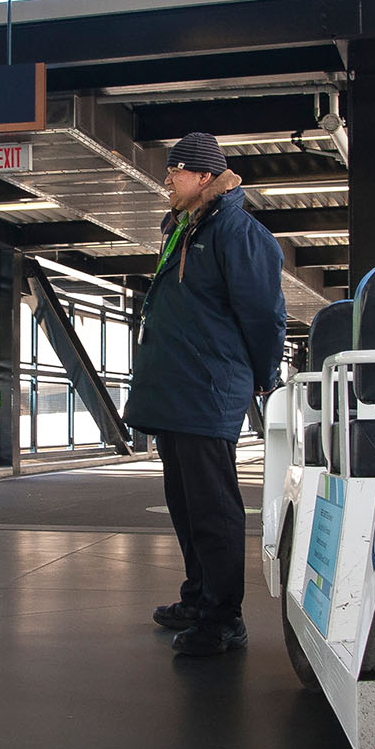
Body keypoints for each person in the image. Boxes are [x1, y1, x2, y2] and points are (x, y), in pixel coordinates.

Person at [123, 131, 286, 656]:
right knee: (186, 505)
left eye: (176, 171)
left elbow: (264, 315)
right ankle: (198, 596)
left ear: (205, 176)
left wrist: (265, 375)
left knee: (213, 508)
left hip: (208, 388)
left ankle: (223, 617)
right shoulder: (182, 228)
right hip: (177, 388)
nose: (167, 179)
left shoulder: (238, 232)